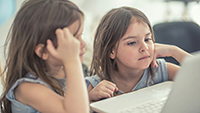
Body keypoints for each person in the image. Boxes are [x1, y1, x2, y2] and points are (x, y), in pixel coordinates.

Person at [85, 7, 192, 103]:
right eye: (132, 42)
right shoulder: (97, 85)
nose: (144, 47)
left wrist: (173, 51)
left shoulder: (160, 70)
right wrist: (89, 99)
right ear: (111, 51)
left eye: (147, 39)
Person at [0, 0, 89, 113]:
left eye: (81, 35)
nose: (82, 43)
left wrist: (89, 97)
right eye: (73, 39)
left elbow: (70, 103)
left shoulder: (63, 73)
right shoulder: (27, 88)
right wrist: (72, 61)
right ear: (43, 51)